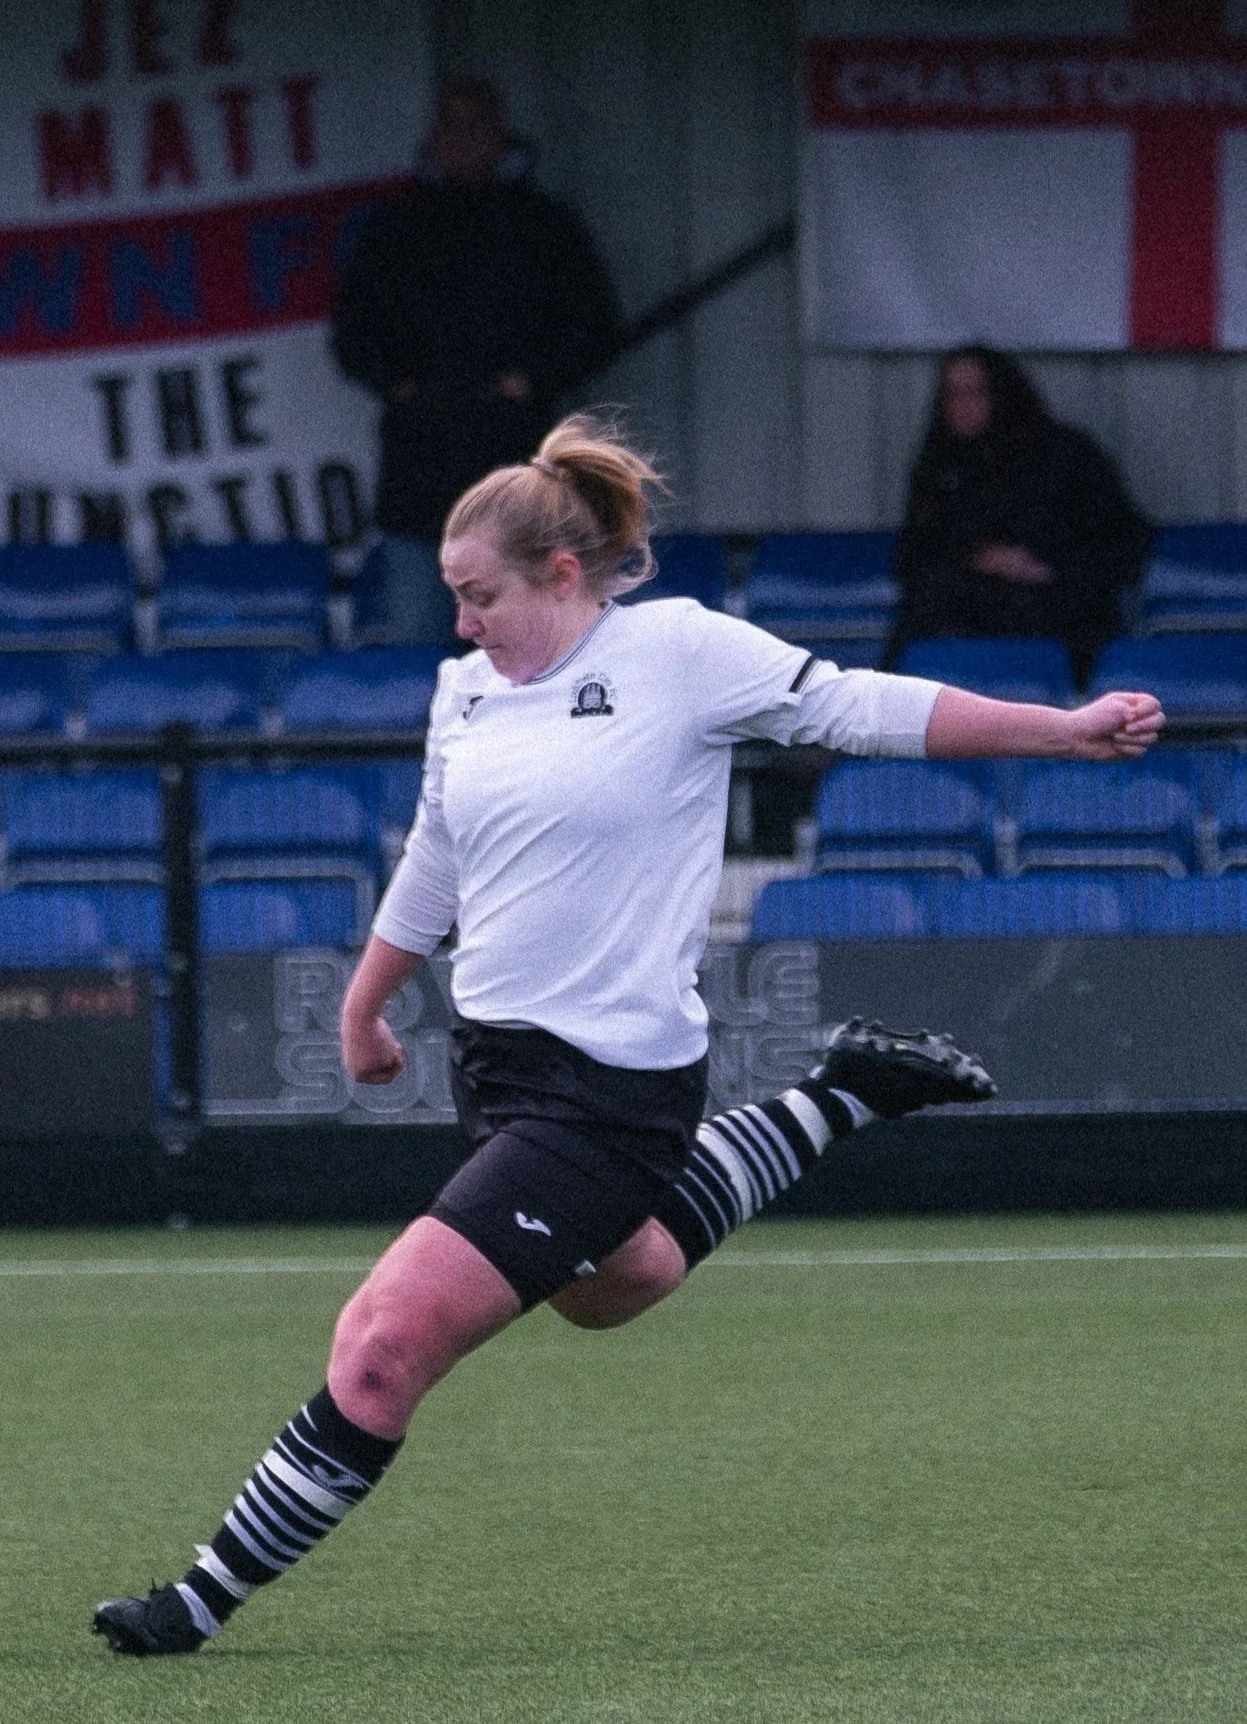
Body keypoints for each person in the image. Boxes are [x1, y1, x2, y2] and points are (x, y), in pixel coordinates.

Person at [93, 416, 1165, 1657]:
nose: (460, 624)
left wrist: (1062, 725)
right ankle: (843, 1090)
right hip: (493, 1067)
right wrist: (363, 998)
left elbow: (853, 705)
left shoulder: (675, 652)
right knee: (622, 1280)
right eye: (451, 598)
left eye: (477, 594)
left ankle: (197, 1598)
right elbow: (437, 855)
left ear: (560, 574)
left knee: (383, 1344)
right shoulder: (464, 690)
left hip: (610, 1088)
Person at [331, 77, 620, 644]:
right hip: (419, 478)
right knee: (422, 658)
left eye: (475, 126)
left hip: (516, 469)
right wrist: (398, 383)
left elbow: (594, 323)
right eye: (450, 126)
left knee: (523, 654)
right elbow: (352, 331)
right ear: (433, 138)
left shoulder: (545, 225)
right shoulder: (395, 230)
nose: (461, 140)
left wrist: (532, 379)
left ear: (500, 135)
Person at [885, 345, 1153, 685]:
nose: (963, 405)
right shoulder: (938, 466)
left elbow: (1123, 542)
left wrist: (1046, 569)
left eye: (975, 392)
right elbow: (913, 557)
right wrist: (977, 558)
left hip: (1057, 606)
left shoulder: (1066, 456)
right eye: (953, 394)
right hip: (967, 610)